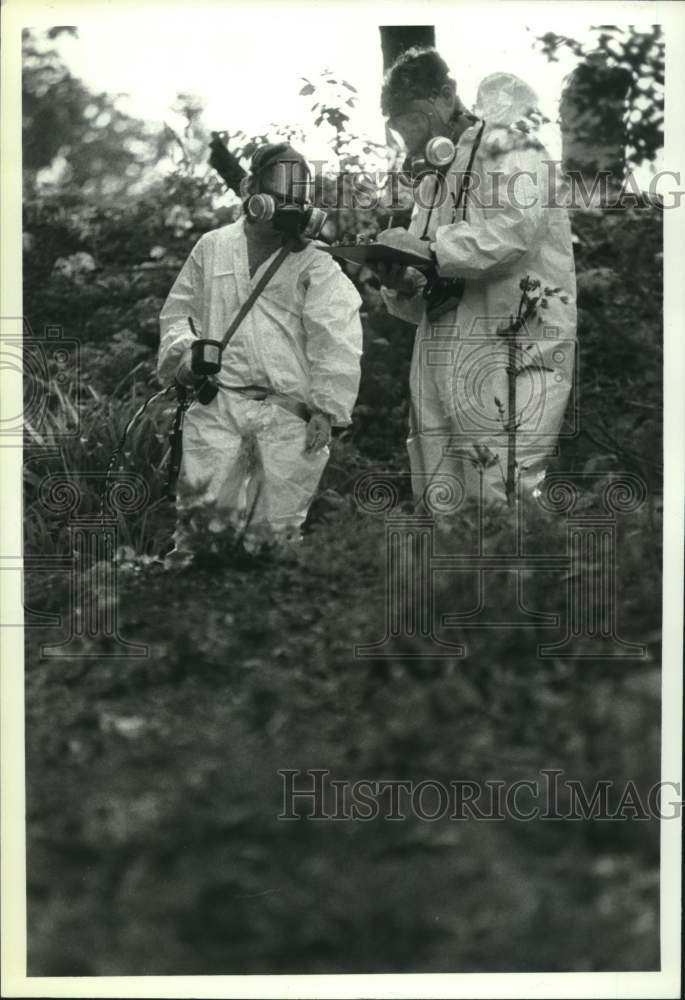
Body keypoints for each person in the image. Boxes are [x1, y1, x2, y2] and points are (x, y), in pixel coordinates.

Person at [376, 49, 577, 506]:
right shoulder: (432, 180)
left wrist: (429, 249)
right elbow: (423, 277)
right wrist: (399, 281)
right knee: (439, 475)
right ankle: (456, 580)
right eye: (396, 122)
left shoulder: (513, 148)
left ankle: (514, 577)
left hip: (514, 340)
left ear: (446, 96)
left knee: (504, 479)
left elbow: (514, 233)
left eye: (411, 116)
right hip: (442, 349)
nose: (405, 131)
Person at [157, 143, 363, 558]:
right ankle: (193, 618)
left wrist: (326, 408)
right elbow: (178, 314)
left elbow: (336, 337)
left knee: (274, 542)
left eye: (296, 202)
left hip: (288, 418)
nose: (287, 211)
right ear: (252, 189)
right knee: (199, 534)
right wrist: (186, 357)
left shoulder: (316, 263)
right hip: (217, 406)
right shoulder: (212, 246)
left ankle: (263, 620)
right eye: (278, 199)